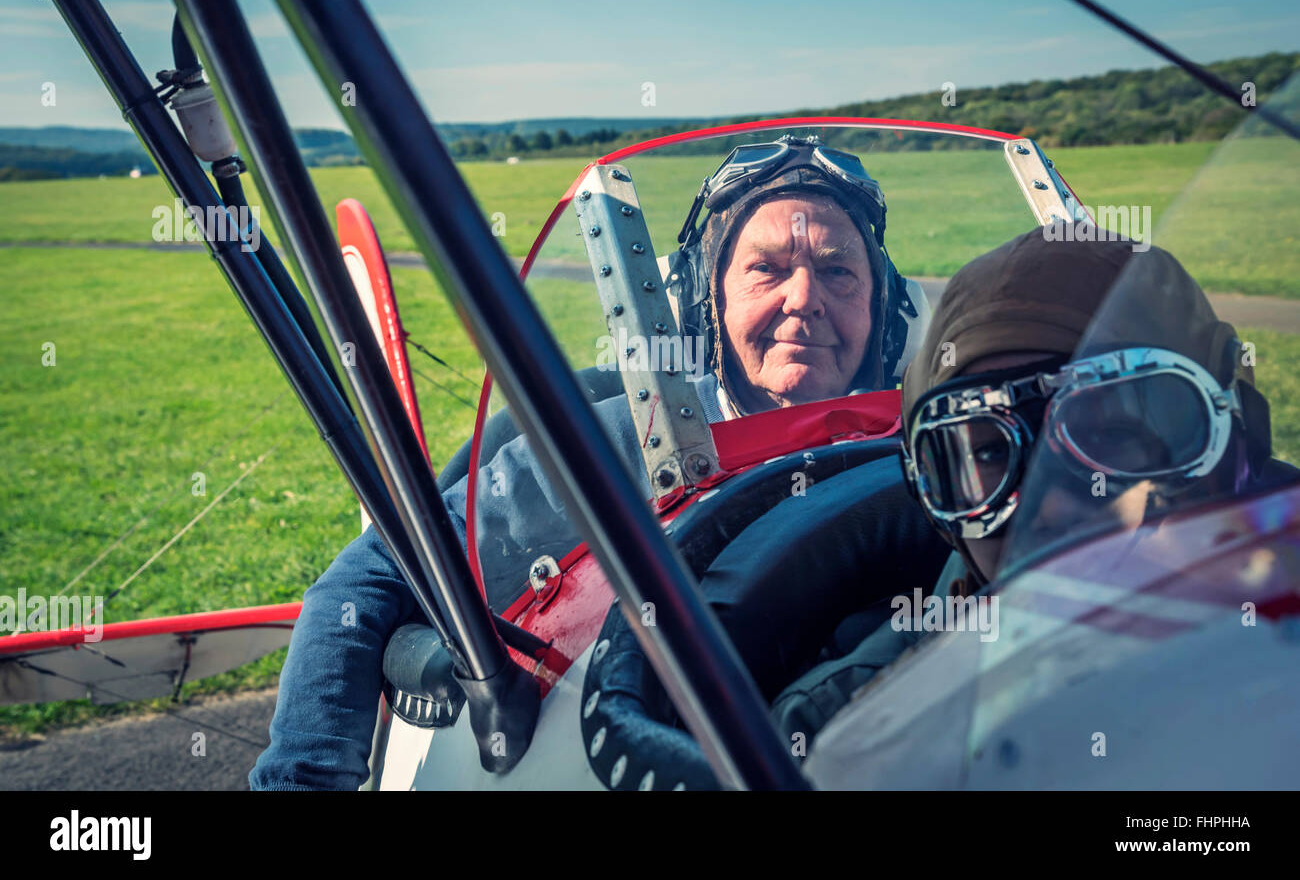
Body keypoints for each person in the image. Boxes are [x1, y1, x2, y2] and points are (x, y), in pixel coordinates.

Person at [250, 135, 923, 789]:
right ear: (705, 300)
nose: (805, 297)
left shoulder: (924, 449)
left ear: (883, 307)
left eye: (838, 270)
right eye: (768, 268)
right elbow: (373, 571)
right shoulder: (611, 447)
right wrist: (301, 778)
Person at [768, 223, 1283, 745]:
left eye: (1107, 434)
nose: (1051, 501)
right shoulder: (846, 736)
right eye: (990, 451)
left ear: (1233, 437)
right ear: (932, 495)